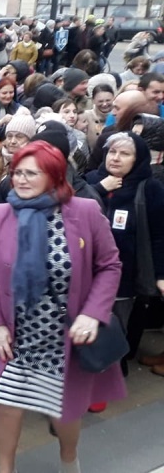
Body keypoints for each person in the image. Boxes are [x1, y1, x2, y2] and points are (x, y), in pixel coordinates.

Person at [0, 141, 126, 473]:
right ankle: (5, 470)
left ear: (55, 175)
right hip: (15, 335)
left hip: (64, 336)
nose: (21, 179)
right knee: (7, 406)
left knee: (64, 411)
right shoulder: (2, 214)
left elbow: (110, 265)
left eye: (31, 173)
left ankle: (68, 460)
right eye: (17, 172)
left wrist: (93, 313)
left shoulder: (85, 211)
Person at [85, 132, 164, 374]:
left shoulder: (149, 188)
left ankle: (112, 370)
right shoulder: (90, 180)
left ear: (137, 158)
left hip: (126, 274)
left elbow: (159, 235)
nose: (116, 158)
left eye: (124, 153)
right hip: (88, 271)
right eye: (112, 152)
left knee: (117, 322)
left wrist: (160, 274)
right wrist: (98, 188)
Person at [0, 112, 35, 195]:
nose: (12, 141)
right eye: (9, 136)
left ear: (29, 140)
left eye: (19, 137)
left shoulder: (31, 164)